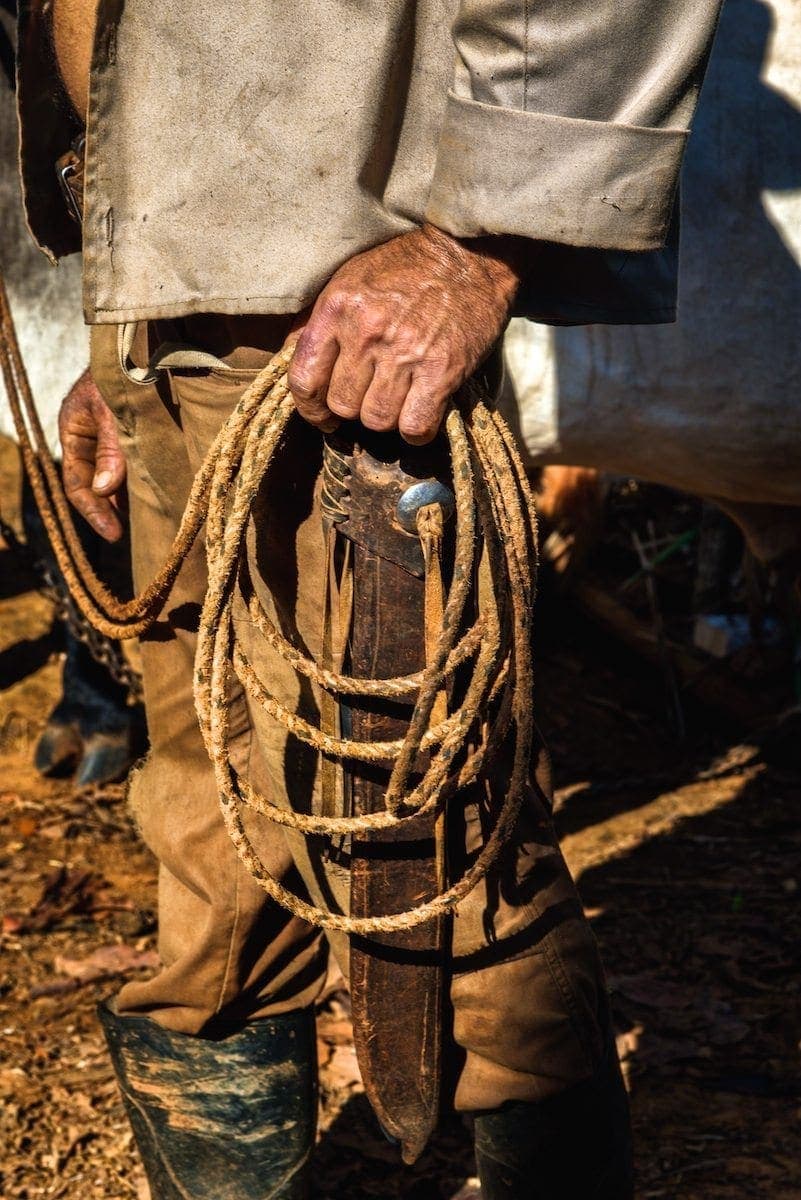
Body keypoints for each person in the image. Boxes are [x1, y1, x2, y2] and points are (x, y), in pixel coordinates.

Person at [14, 2, 723, 1196]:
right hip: (190, 293)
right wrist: (133, 323)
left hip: (353, 305)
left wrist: (474, 240)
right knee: (214, 835)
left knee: (440, 834)